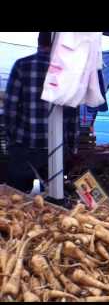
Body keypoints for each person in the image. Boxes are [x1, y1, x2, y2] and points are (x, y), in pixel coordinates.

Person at [3, 32, 79, 193]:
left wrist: (12, 141)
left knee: (16, 203)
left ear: (39, 42)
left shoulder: (21, 66)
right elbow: (73, 115)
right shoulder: (67, 71)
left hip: (24, 147)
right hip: (56, 150)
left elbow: (10, 109)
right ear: (57, 43)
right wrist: (72, 148)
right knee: (55, 202)